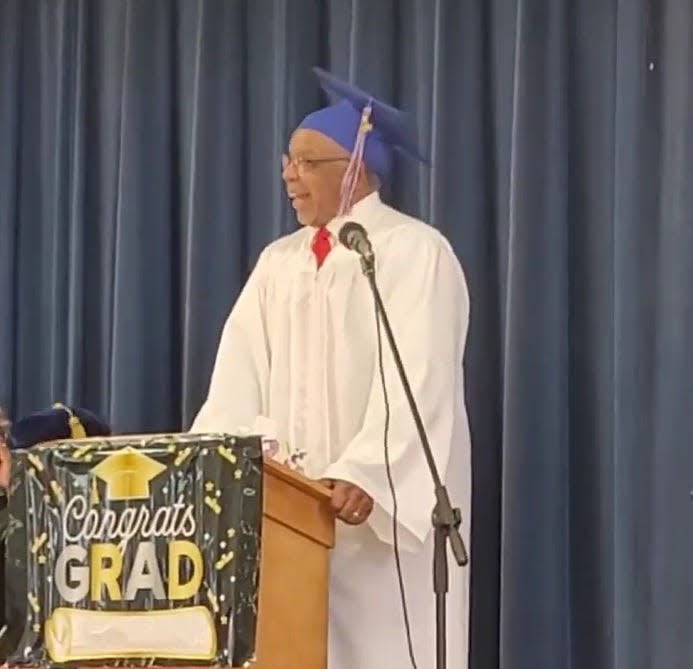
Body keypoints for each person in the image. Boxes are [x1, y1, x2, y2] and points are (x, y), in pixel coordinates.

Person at [191, 67, 472, 669]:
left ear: (356, 168)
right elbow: (238, 378)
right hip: (290, 521)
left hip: (372, 528)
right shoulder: (279, 263)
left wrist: (368, 471)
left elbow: (421, 378)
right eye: (287, 160)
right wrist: (234, 466)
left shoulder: (413, 252)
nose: (289, 175)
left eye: (307, 161)